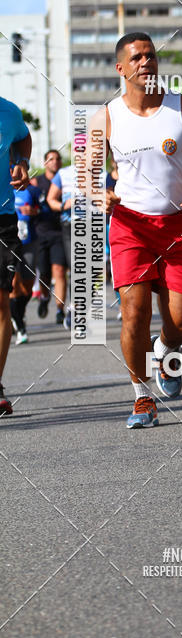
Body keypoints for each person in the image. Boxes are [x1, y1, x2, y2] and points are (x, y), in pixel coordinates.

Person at [93, 32, 182, 429]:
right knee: (134, 312)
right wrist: (99, 193)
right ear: (121, 68)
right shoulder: (107, 116)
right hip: (130, 226)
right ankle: (142, 396)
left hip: (180, 226)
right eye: (136, 58)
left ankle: (166, 351)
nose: (145, 62)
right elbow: (86, 167)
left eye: (150, 55)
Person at [0, 97, 31, 416]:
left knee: (1, 302)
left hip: (3, 218)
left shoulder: (9, 111)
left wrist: (21, 162)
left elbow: (23, 136)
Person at [31, 149, 68, 323]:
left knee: (60, 271)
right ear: (45, 163)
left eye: (58, 158)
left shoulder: (65, 181)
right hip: (40, 234)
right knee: (44, 275)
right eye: (51, 159)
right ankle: (44, 298)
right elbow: (23, 203)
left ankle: (60, 310)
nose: (55, 161)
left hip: (60, 232)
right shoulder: (36, 183)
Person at [10, 181, 41, 344]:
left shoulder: (33, 191)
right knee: (14, 285)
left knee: (27, 287)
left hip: (28, 241)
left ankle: (16, 314)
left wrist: (34, 211)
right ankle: (21, 328)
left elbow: (45, 212)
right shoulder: (4, 190)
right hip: (8, 242)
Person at [47, 162, 74, 328]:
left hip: (94, 226)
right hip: (70, 225)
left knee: (94, 275)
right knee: (78, 269)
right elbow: (51, 199)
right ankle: (75, 310)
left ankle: (75, 307)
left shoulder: (100, 173)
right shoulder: (64, 174)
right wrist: (64, 205)